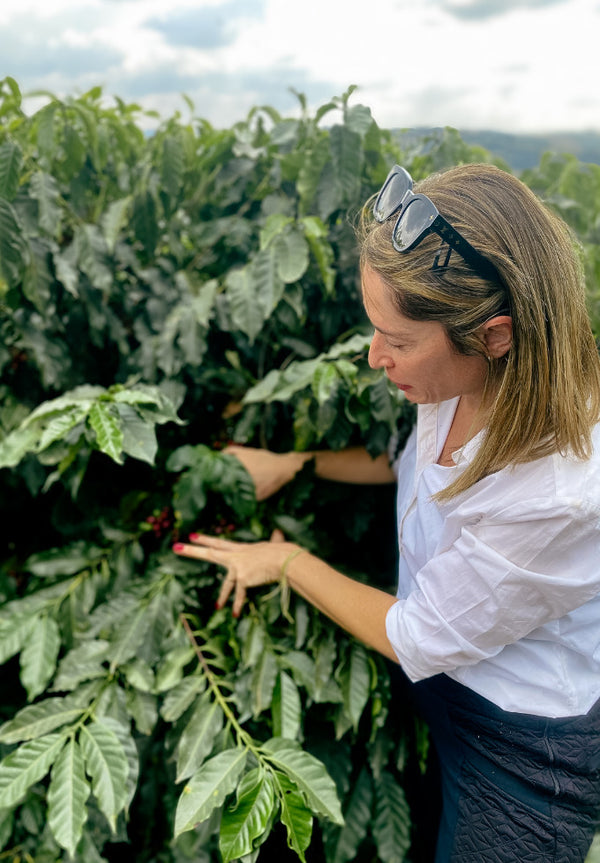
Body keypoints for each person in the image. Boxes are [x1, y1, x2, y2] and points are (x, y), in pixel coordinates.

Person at [173, 163, 600, 862]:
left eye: (396, 342)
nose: (375, 356)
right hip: (448, 688)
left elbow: (419, 633)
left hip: (523, 751)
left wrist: (284, 560)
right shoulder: (470, 375)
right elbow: (412, 462)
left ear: (494, 335)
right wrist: (300, 464)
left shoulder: (558, 494)